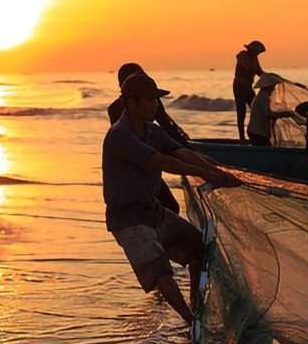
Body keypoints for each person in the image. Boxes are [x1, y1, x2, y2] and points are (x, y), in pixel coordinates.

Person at [103, 73, 241, 324]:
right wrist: (204, 173)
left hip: (153, 212)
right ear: (131, 104)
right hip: (128, 220)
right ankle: (191, 322)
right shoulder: (120, 134)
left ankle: (196, 305)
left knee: (200, 248)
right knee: (160, 271)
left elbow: (180, 152)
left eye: (156, 99)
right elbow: (162, 161)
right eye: (150, 100)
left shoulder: (153, 131)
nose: (156, 104)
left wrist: (217, 171)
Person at [106, 62, 191, 215]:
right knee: (167, 206)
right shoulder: (120, 116)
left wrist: (186, 151)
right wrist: (187, 152)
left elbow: (166, 129)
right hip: (136, 169)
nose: (154, 103)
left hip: (148, 164)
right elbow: (166, 129)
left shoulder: (148, 101)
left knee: (169, 207)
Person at [246, 73, 300, 146]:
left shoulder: (261, 95)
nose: (273, 88)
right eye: (273, 86)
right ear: (268, 86)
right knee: (265, 151)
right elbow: (268, 113)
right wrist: (285, 114)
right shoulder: (264, 96)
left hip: (255, 131)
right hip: (257, 132)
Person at [232, 40, 266, 143]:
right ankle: (242, 138)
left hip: (249, 87)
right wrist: (257, 70)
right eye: (257, 52)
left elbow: (260, 72)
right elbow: (247, 67)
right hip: (239, 86)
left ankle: (255, 134)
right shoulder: (243, 55)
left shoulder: (255, 59)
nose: (258, 54)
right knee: (241, 113)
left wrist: (273, 78)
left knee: (256, 109)